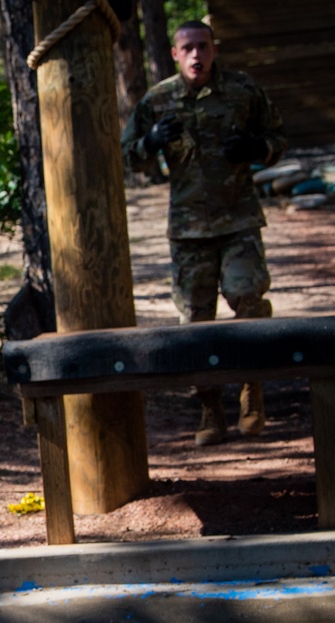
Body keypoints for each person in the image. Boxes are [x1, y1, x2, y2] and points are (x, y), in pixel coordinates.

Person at [121, 20, 287, 446]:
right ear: (175, 55)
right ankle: (210, 409)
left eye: (203, 46)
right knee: (195, 321)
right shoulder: (159, 99)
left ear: (215, 49)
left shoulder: (243, 90)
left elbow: (278, 137)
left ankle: (253, 391)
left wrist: (256, 149)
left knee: (248, 299)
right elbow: (127, 156)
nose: (196, 55)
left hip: (239, 221)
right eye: (187, 48)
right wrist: (151, 142)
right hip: (189, 230)